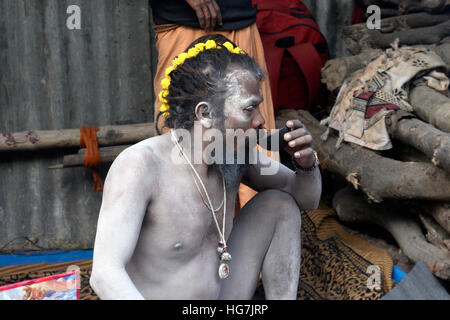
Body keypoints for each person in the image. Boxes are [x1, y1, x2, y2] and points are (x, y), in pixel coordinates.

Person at [90, 35, 321, 299]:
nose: (261, 121)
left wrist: (305, 163)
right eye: (249, 109)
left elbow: (308, 199)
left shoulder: (236, 152)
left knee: (281, 205)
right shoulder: (140, 165)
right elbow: (105, 274)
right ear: (205, 114)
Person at [150, 0, 278, 207]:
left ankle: (245, 233)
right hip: (184, 25)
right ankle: (187, 235)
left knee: (255, 148)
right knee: (183, 160)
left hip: (240, 20)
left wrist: (308, 167)